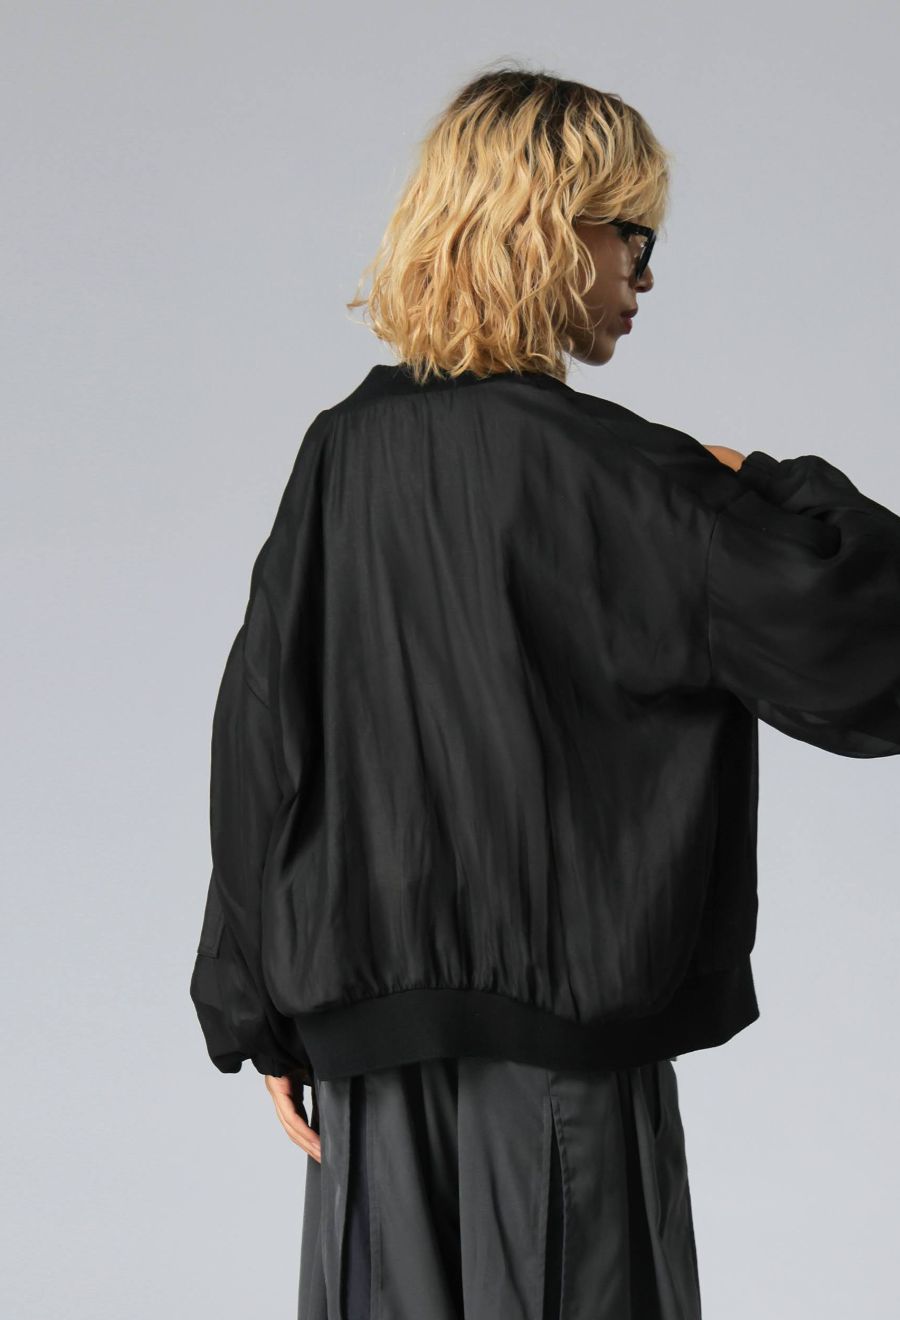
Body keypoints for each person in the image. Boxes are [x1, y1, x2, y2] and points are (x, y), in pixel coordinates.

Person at [189, 65, 900, 1320]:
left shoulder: (339, 453)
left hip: (364, 1063)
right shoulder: (618, 474)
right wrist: (769, 482)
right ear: (550, 227)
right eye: (634, 236)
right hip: (560, 1070)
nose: (645, 274)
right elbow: (863, 641)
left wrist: (254, 1011)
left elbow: (260, 733)